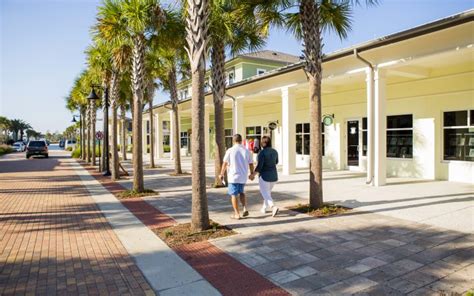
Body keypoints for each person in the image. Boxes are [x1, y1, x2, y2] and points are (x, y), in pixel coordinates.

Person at [219, 134, 254, 219]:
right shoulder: (246, 150)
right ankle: (245, 207)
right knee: (241, 192)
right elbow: (251, 164)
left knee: (234, 194)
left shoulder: (230, 150)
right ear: (241, 140)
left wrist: (221, 174)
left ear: (233, 141)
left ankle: (237, 214)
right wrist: (252, 173)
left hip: (233, 176)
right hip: (243, 176)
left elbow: (225, 163)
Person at [250, 136, 279, 217]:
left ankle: (273, 206)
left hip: (264, 176)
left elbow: (259, 166)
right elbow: (276, 162)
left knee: (265, 193)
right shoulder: (275, 151)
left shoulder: (261, 153)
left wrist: (253, 175)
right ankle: (264, 208)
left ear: (263, 143)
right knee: (268, 193)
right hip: (274, 176)